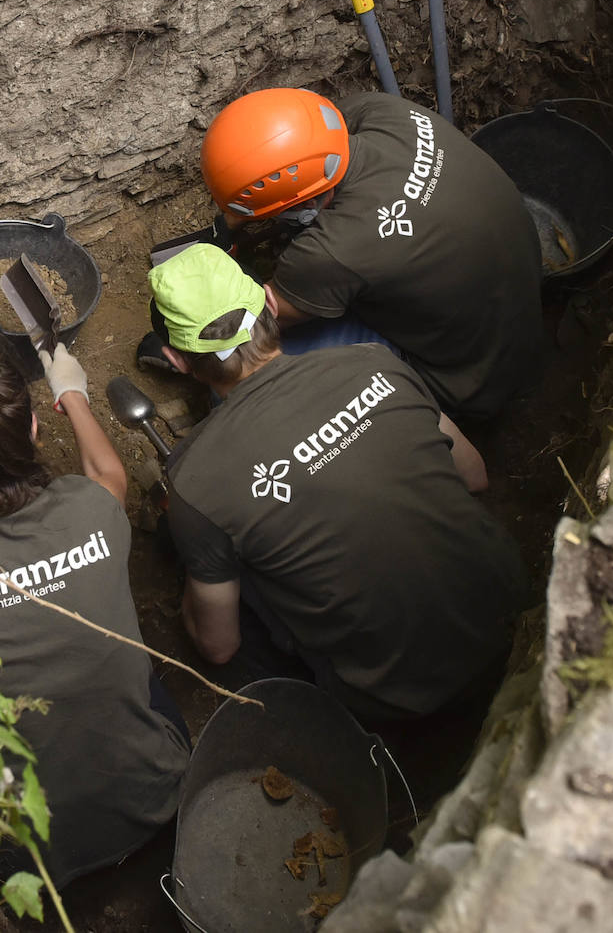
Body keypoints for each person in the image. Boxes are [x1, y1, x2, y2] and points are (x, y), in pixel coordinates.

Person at [148, 242, 527, 728]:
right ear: (268, 301)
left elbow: (218, 648)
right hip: (518, 622)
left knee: (230, 581)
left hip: (400, 701)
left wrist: (191, 560)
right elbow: (474, 476)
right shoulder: (374, 363)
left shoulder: (194, 483)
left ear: (176, 361)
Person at [0, 338, 190, 889]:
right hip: (158, 796)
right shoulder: (92, 509)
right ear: (33, 429)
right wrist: (73, 394)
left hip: (25, 858)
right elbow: (112, 477)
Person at [200, 87, 543, 421]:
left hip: (464, 379)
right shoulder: (382, 111)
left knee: (239, 368)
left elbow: (258, 322)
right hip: (517, 299)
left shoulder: (329, 252)